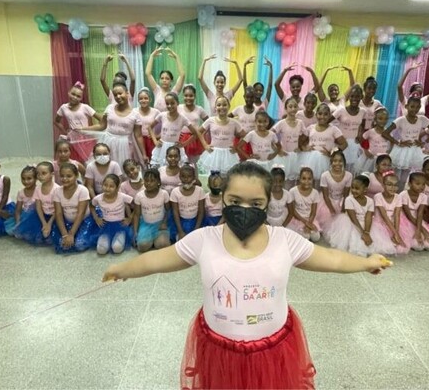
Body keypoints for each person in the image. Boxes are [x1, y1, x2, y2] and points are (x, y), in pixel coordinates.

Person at [101, 162, 392, 389]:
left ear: (268, 203)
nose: (244, 209)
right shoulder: (203, 239)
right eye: (235, 200)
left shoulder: (285, 241)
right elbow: (156, 260)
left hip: (273, 350)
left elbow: (331, 258)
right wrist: (122, 269)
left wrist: (364, 262)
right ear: (222, 198)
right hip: (219, 350)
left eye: (255, 204)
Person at [81, 83, 145, 166]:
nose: (118, 96)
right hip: (107, 142)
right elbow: (101, 126)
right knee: (105, 166)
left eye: (120, 93)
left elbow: (138, 135)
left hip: (125, 145)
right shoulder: (109, 108)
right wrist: (82, 128)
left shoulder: (135, 114)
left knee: (124, 169)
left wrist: (143, 154)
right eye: (115, 95)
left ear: (127, 93)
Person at [51, 163, 97, 254]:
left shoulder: (82, 190)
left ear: (76, 176)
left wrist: (71, 234)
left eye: (69, 176)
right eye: (62, 176)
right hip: (67, 221)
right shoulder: (57, 191)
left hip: (84, 220)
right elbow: (59, 214)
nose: (65, 179)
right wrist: (65, 234)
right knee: (62, 244)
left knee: (79, 245)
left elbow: (81, 213)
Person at [324, 175, 375, 256]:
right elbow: (353, 218)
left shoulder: (370, 201)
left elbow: (369, 217)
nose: (354, 190)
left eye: (357, 188)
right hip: (352, 223)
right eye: (352, 187)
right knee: (356, 241)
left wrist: (367, 232)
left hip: (365, 223)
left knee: (371, 243)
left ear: (365, 189)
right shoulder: (349, 199)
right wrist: (362, 233)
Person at [54, 82, 102, 162]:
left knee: (88, 160)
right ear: (69, 93)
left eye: (78, 96)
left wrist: (90, 128)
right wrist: (65, 132)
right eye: (73, 94)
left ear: (81, 98)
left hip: (86, 138)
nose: (75, 97)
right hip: (73, 138)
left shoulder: (85, 107)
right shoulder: (63, 107)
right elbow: (56, 121)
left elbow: (101, 119)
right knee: (75, 160)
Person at [149, 93, 199, 167]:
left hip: (175, 147)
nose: (170, 106)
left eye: (172, 103)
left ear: (177, 103)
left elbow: (195, 133)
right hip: (162, 147)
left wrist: (184, 144)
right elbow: (150, 127)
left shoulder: (182, 118)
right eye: (167, 104)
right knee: (161, 168)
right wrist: (155, 141)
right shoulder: (162, 115)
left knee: (177, 169)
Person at [197, 96, 244, 175]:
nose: (221, 107)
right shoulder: (210, 120)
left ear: (229, 106)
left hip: (228, 154)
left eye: (224, 105)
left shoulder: (234, 122)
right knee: (213, 179)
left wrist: (237, 147)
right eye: (219, 105)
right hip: (214, 153)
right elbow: (198, 132)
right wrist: (205, 145)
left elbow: (245, 136)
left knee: (227, 178)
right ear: (215, 107)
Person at [14, 162, 57, 245]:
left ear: (52, 174)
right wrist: (44, 223)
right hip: (41, 215)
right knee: (36, 238)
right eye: (38, 174)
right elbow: (38, 208)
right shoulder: (38, 188)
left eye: (44, 173)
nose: (40, 176)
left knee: (51, 239)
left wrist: (49, 224)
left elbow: (58, 210)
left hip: (54, 217)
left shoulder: (57, 189)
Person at [91, 174, 134, 256]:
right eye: (105, 185)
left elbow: (137, 204)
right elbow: (91, 206)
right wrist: (96, 218)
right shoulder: (98, 198)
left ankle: (121, 237)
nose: (107, 188)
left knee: (117, 248)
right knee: (101, 250)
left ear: (117, 188)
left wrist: (130, 218)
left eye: (111, 186)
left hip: (120, 226)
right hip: (105, 226)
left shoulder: (122, 197)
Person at [301, 103, 346, 176]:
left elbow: (344, 144)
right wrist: (304, 148)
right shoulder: (310, 128)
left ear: (329, 115)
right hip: (310, 159)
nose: (322, 116)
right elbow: (300, 142)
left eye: (325, 114)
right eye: (320, 114)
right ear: (316, 115)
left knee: (323, 179)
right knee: (310, 177)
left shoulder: (333, 129)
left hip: (325, 159)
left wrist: (332, 153)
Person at [371, 171, 409, 255]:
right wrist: (395, 234)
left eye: (395, 185)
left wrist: (397, 233)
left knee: (400, 248)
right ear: (383, 185)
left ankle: (394, 237)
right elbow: (384, 217)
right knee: (384, 248)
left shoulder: (398, 197)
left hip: (393, 223)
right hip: (380, 224)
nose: (393, 188)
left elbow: (397, 216)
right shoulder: (378, 197)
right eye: (389, 184)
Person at [133, 168, 171, 252]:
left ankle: (157, 239)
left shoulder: (164, 194)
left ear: (158, 181)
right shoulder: (139, 195)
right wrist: (135, 232)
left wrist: (164, 222)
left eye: (152, 181)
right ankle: (150, 238)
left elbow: (168, 210)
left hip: (160, 224)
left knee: (163, 245)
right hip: (146, 224)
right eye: (146, 181)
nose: (148, 183)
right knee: (142, 246)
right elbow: (136, 215)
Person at [397, 172, 429, 251]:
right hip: (404, 219)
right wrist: (422, 231)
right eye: (417, 184)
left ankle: (420, 235)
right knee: (417, 246)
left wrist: (420, 230)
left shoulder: (423, 196)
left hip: (417, 220)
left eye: (423, 184)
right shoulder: (403, 195)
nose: (421, 187)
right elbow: (409, 216)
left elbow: (420, 214)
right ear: (409, 184)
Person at [168, 164, 206, 242]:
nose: (186, 179)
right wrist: (180, 231)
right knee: (181, 241)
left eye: (189, 176)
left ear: (194, 178)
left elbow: (201, 211)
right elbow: (175, 212)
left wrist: (196, 229)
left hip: (196, 221)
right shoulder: (175, 192)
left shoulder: (200, 191)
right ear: (179, 177)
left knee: (197, 241)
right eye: (183, 176)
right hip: (180, 221)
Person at [287, 167, 322, 242]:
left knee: (316, 237)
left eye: (309, 179)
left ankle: (307, 231)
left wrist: (309, 223)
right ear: (299, 179)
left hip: (310, 219)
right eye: (304, 178)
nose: (306, 181)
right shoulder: (293, 191)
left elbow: (313, 212)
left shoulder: (315, 193)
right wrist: (306, 223)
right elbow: (293, 211)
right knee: (305, 237)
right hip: (298, 218)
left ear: (312, 180)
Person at [145, 46, 185, 112]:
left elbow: (182, 75)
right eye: (162, 78)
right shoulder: (157, 90)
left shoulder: (174, 92)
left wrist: (176, 57)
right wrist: (151, 56)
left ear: (171, 81)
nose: (164, 80)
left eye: (167, 78)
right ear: (159, 80)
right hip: (157, 121)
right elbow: (148, 73)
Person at [178, 85, 210, 164]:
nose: (188, 98)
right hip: (181, 138)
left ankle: (194, 176)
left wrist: (202, 134)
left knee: (193, 163)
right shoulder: (179, 108)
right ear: (183, 96)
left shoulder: (199, 109)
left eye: (191, 96)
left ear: (195, 96)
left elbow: (209, 122)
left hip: (195, 139)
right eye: (186, 96)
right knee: (181, 162)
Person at [355, 107, 391, 174]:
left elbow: (391, 142)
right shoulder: (370, 132)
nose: (383, 121)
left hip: (382, 159)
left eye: (385, 119)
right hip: (371, 158)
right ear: (375, 119)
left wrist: (389, 152)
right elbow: (361, 141)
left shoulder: (388, 132)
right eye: (380, 119)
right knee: (368, 174)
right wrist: (366, 151)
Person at [134, 88, 160, 160]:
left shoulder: (156, 112)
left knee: (152, 160)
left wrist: (157, 136)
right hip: (137, 141)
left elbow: (165, 125)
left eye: (146, 98)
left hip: (151, 141)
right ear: (138, 100)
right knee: (139, 160)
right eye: (141, 99)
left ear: (150, 99)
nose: (143, 100)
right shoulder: (134, 112)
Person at [12, 165, 37, 236]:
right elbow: (18, 210)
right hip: (25, 215)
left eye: (29, 178)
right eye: (23, 179)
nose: (26, 181)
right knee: (14, 232)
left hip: (37, 216)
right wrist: (18, 223)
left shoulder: (39, 191)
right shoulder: (21, 192)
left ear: (36, 179)